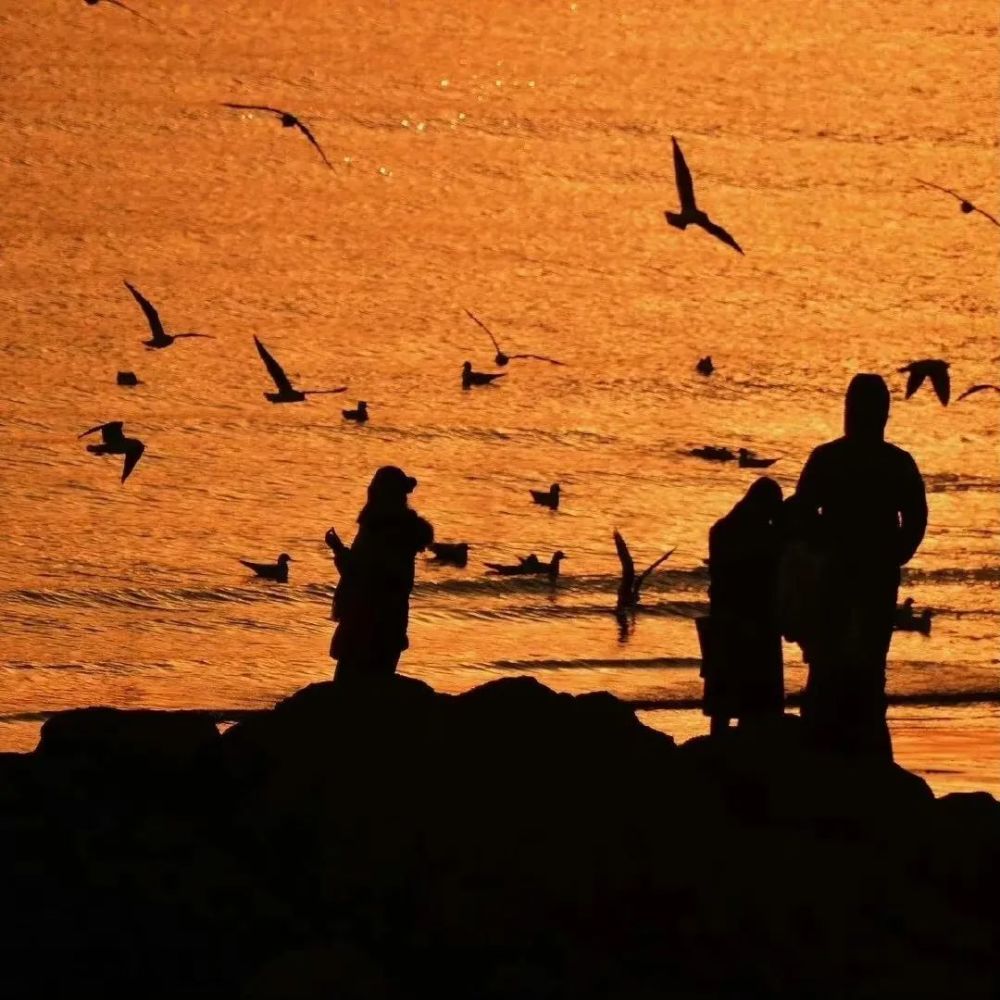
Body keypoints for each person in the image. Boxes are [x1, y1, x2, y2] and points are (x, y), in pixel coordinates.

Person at [795, 374, 927, 759]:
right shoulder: (895, 463)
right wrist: (896, 552)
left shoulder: (830, 458)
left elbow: (803, 513)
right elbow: (916, 518)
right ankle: (861, 750)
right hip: (866, 574)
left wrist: (826, 544)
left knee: (834, 662)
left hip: (849, 573)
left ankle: (829, 748)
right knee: (862, 663)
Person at [326, 466, 434, 683]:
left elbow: (361, 573)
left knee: (348, 692)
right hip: (391, 623)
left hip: (364, 622)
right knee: (377, 689)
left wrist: (338, 550)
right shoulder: (404, 529)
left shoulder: (378, 529)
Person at [701, 477, 785, 736]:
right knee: (758, 700)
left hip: (725, 618)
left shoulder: (721, 530)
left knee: (723, 697)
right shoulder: (766, 536)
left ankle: (719, 748)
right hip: (754, 620)